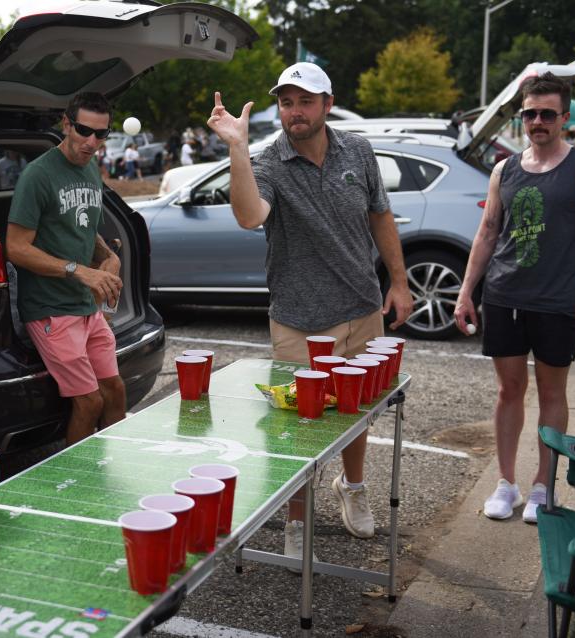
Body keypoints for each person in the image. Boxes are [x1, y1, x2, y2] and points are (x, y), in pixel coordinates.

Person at [206, 62, 413, 558]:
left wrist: (400, 282)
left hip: (362, 306)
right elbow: (248, 214)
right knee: (298, 428)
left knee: (356, 412)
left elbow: (380, 215)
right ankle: (298, 521)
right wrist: (237, 147)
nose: (294, 111)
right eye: (286, 101)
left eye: (304, 101)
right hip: (298, 318)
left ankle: (353, 487)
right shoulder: (268, 162)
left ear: (327, 103)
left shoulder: (358, 151)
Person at [453, 72, 575, 524]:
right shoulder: (505, 169)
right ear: (521, 116)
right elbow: (487, 232)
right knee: (508, 390)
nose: (538, 121)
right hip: (505, 296)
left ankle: (544, 485)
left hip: (558, 300)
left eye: (547, 113)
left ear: (564, 117)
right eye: (530, 113)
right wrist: (467, 292)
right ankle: (506, 483)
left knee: (551, 393)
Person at [5, 92, 125, 446]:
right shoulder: (38, 175)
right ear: (66, 124)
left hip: (86, 307)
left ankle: (111, 469)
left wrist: (108, 258)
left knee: (115, 391)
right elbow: (16, 248)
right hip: (51, 309)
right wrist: (80, 271)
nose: (91, 142)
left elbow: (87, 229)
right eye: (84, 131)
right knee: (89, 402)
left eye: (100, 134)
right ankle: (73, 488)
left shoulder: (90, 167)